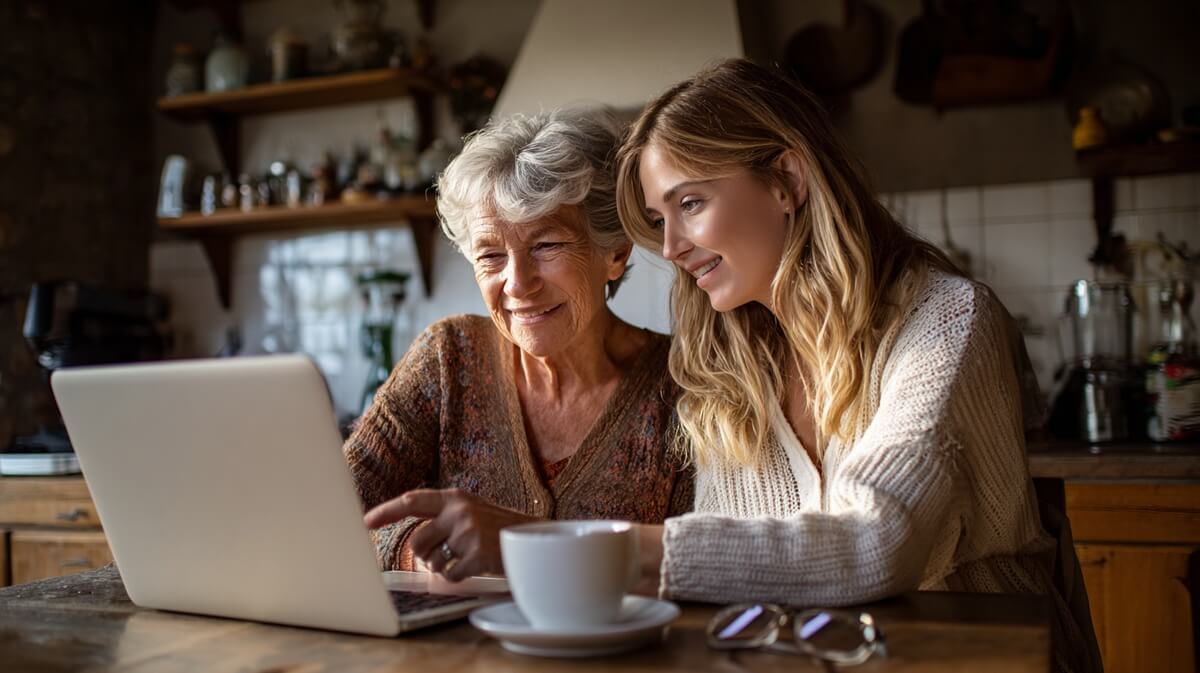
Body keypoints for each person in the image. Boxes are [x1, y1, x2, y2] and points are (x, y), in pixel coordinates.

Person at [614, 59, 1101, 673]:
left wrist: (608, 554)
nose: (670, 246)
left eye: (691, 202)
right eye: (660, 219)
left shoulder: (947, 320)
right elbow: (740, 590)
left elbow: (878, 540)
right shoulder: (727, 373)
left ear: (785, 180)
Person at [347, 110, 692, 581]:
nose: (517, 284)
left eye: (546, 246)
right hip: (455, 655)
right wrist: (416, 546)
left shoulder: (683, 385)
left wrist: (521, 548)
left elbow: (696, 567)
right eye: (490, 255)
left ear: (614, 252)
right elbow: (328, 514)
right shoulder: (448, 359)